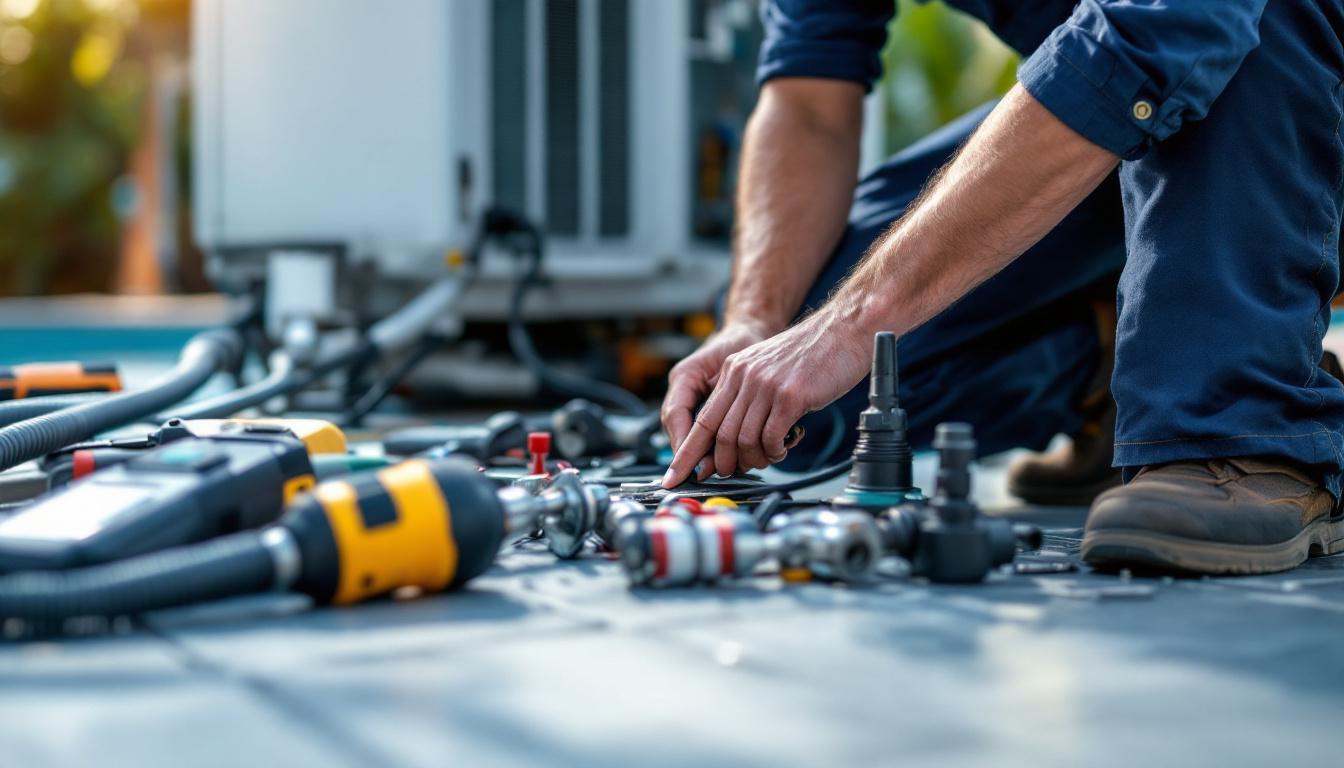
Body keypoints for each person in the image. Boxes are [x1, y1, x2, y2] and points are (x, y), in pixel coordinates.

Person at [659, 0, 1344, 575]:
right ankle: (1126, 377)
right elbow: (808, 102)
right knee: (799, 396)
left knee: (1249, 22)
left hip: (1287, 104)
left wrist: (848, 326)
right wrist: (758, 322)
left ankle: (1244, 424)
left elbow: (1161, 27)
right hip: (1145, 112)